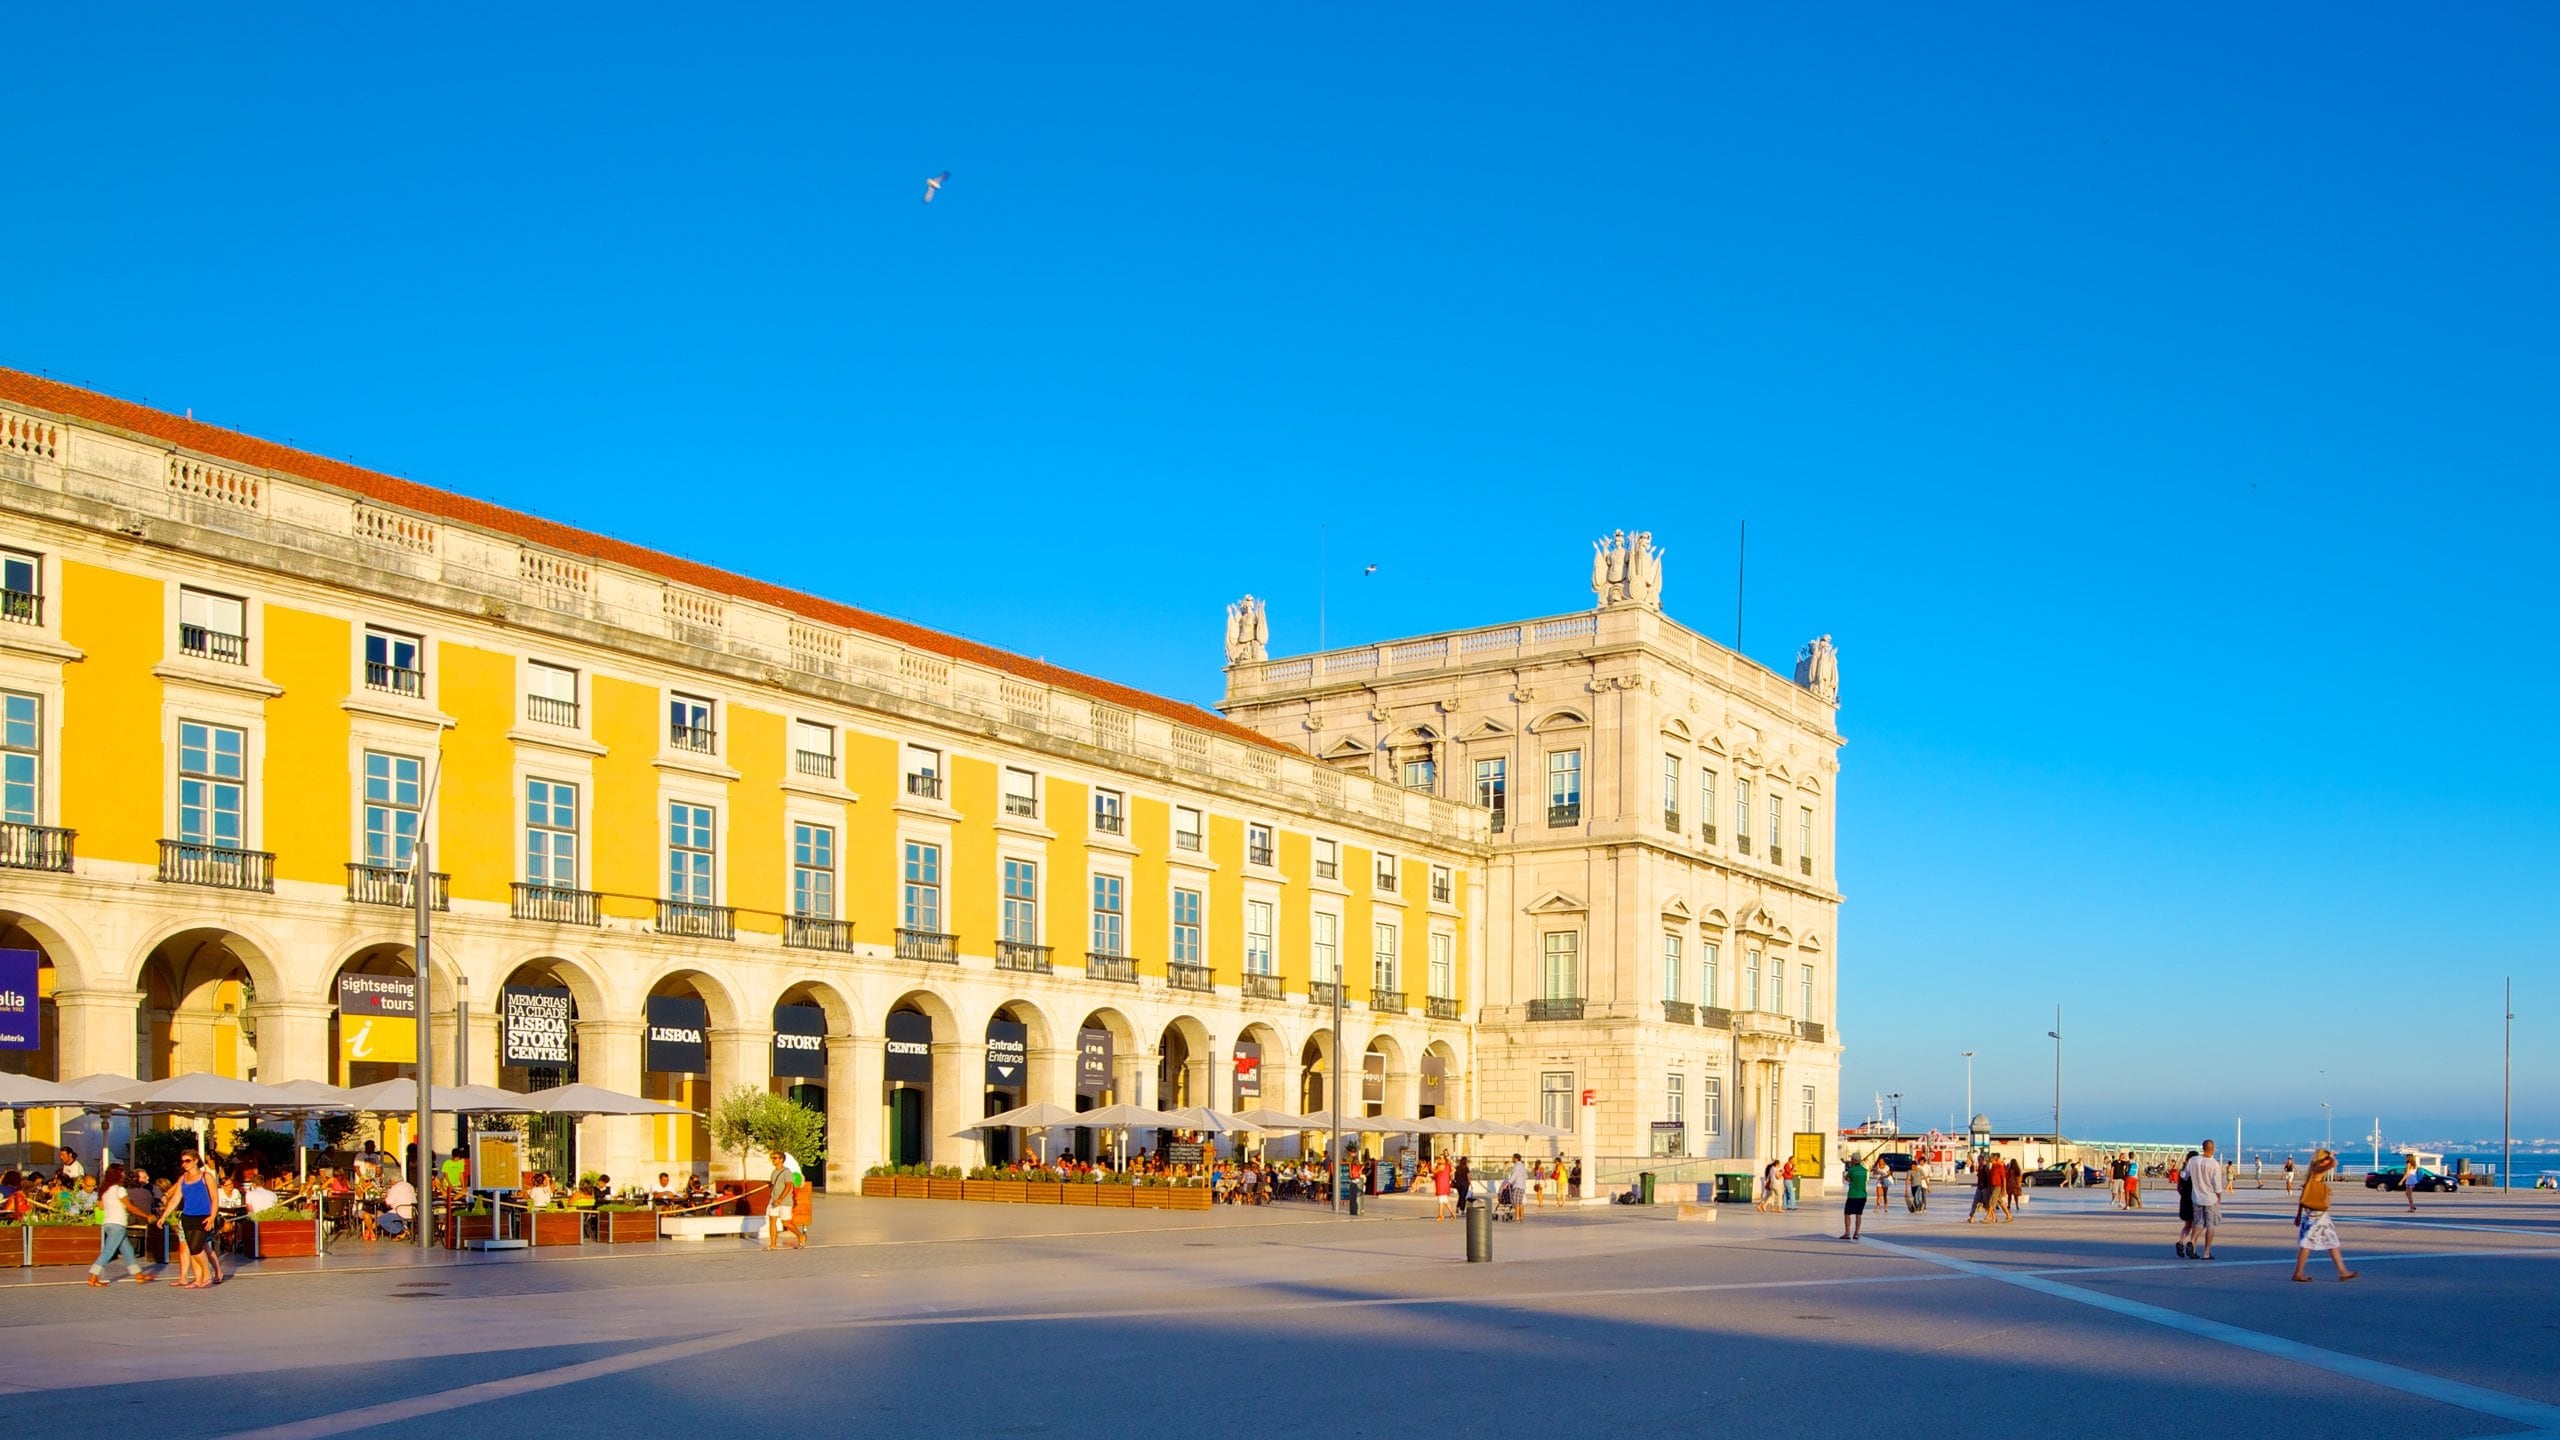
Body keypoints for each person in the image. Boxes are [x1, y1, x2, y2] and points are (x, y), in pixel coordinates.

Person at [2292, 1150, 2357, 1282]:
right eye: (2326, 1158)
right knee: (2307, 1243)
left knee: (2331, 1241)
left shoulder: (2314, 1172)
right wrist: (2331, 1156)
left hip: (2317, 1214)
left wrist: (2298, 1214)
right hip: (2316, 1216)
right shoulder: (2318, 1169)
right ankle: (2298, 1273)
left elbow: (2303, 1197)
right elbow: (2333, 1164)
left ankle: (2342, 1271)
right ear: (2323, 1159)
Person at [86, 1163, 151, 1288]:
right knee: (108, 1251)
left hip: (108, 1223)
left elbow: (100, 1206)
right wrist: (146, 1216)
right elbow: (130, 1207)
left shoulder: (104, 1190)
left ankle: (138, 1275)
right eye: (122, 1172)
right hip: (118, 1223)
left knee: (127, 1250)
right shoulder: (119, 1189)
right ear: (117, 1175)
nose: (124, 1174)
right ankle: (93, 1277)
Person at [160, 1151, 218, 1289]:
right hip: (187, 1216)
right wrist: (164, 1216)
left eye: (187, 1161)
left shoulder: (206, 1177)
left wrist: (212, 1217)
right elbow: (175, 1199)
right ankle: (198, 1279)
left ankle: (207, 1274)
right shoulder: (183, 1178)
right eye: (183, 1161)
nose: (184, 1164)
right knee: (192, 1250)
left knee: (196, 1247)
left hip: (203, 1216)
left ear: (195, 1160)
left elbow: (215, 1199)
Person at [2183, 1140, 2227, 1260]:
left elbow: (2184, 1175)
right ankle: (2206, 1252)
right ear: (2212, 1149)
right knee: (2210, 1225)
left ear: (2203, 1148)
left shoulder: (2193, 1160)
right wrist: (2219, 1197)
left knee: (2198, 1223)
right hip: (2210, 1198)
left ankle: (2192, 1242)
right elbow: (2217, 1185)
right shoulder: (2214, 1164)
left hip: (2196, 1197)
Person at [764, 1151, 798, 1250]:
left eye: (775, 1158)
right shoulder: (774, 1172)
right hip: (774, 1200)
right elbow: (774, 1186)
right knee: (772, 1220)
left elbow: (788, 1186)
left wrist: (780, 1199)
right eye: (772, 1158)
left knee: (786, 1223)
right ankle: (773, 1245)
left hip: (784, 1202)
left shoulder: (787, 1172)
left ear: (781, 1160)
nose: (773, 1160)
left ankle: (800, 1236)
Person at [2173, 1149, 2199, 1257]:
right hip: (2194, 1198)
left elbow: (2178, 1188)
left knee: (2187, 1224)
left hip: (2184, 1199)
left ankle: (2180, 1241)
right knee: (2196, 1225)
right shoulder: (2195, 1172)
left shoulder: (2182, 1171)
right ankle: (2192, 1247)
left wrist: (2183, 1195)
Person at [1839, 1153, 1869, 1241]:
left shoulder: (1852, 1170)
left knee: (1847, 1214)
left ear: (1855, 1160)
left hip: (1853, 1195)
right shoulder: (1864, 1170)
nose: (1851, 1161)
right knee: (1858, 1215)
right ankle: (1856, 1233)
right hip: (1862, 1195)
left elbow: (1846, 1178)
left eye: (1852, 1159)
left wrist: (1849, 1179)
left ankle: (1847, 1233)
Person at [1967, 1158, 1995, 1223]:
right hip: (1979, 1188)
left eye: (1980, 1160)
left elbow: (1989, 1178)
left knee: (1987, 1204)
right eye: (1978, 1160)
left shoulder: (1986, 1168)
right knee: (1975, 1202)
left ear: (1983, 1160)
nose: (1979, 1161)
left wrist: (1990, 1188)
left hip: (1985, 1188)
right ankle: (1971, 1216)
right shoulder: (1980, 1167)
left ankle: (1994, 1217)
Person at [1506, 1154, 1530, 1221]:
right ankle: (1521, 1217)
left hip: (1517, 1185)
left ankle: (1517, 1217)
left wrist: (1508, 1183)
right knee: (1520, 1202)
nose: (1512, 1159)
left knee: (1516, 1202)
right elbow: (1526, 1176)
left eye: (1512, 1158)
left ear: (1516, 1159)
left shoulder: (1517, 1166)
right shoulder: (1522, 1166)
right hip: (1522, 1186)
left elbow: (1514, 1175)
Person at [1434, 1156, 1454, 1221]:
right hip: (1444, 1183)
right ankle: (1452, 1213)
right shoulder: (1448, 1166)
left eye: (1440, 1158)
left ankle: (1440, 1216)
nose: (1439, 1159)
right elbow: (1454, 1170)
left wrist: (1435, 1164)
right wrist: (1448, 1175)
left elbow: (1434, 1171)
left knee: (1441, 1200)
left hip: (1441, 1184)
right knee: (1445, 1200)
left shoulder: (1442, 1166)